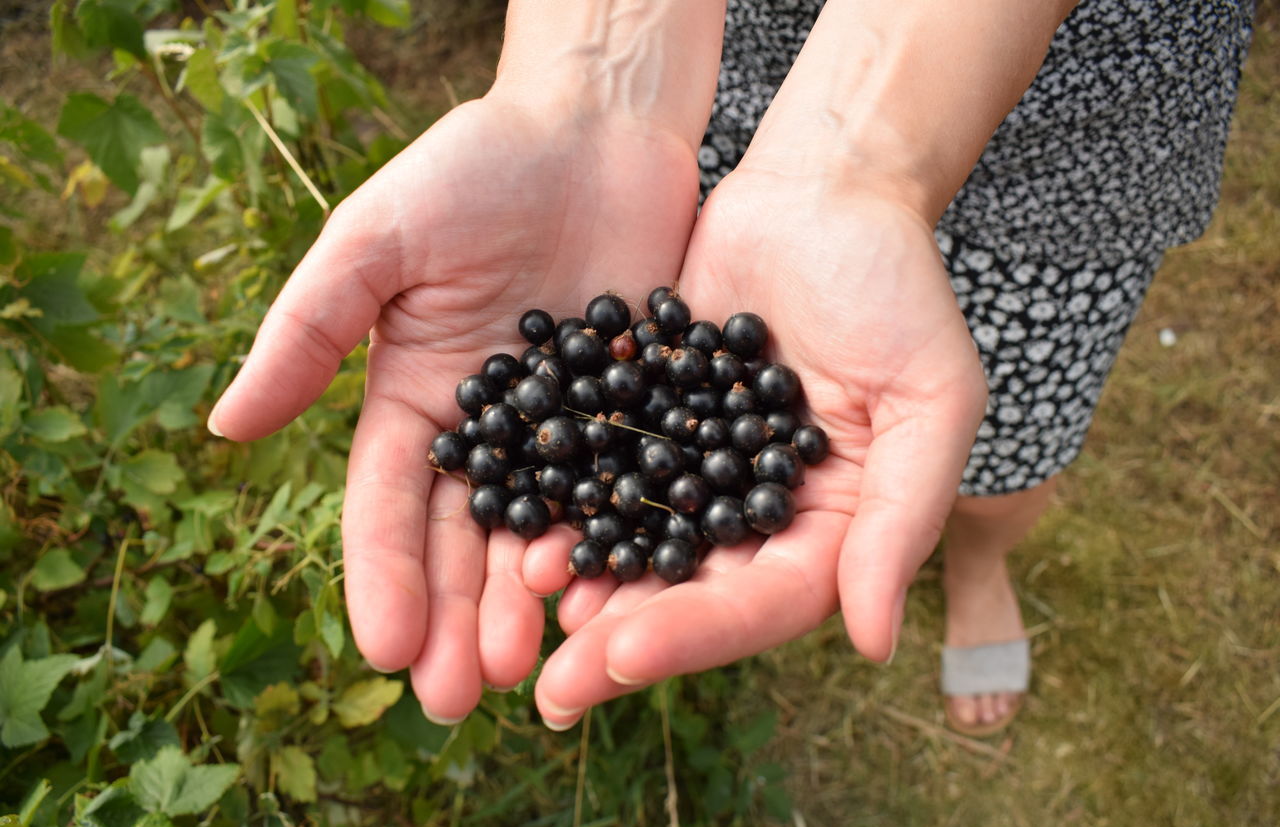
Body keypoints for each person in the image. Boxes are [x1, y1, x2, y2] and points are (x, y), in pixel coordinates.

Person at [207, 0, 1253, 736]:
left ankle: (980, 562)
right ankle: (966, 547)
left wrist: (868, 159)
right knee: (841, 379)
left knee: (1008, 448)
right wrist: (584, 81)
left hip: (1081, 142)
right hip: (735, 84)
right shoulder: (634, 395)